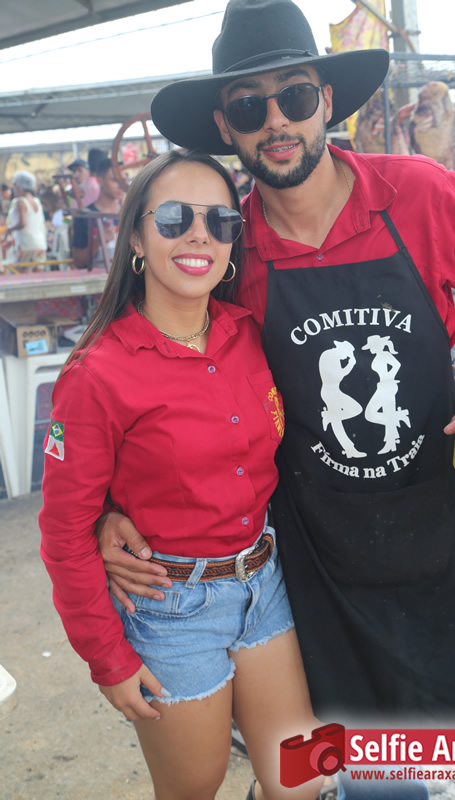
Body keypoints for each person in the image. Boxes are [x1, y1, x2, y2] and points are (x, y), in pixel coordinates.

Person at [97, 1, 455, 797]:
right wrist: (111, 506)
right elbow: (164, 381)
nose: (275, 121)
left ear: (326, 102)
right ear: (225, 128)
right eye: (247, 107)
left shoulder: (421, 195)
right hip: (325, 568)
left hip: (453, 540)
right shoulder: (225, 251)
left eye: (294, 96)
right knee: (374, 780)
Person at [39, 148, 321, 800]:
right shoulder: (95, 373)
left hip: (265, 583)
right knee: (195, 786)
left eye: (220, 221)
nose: (199, 235)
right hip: (171, 605)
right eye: (173, 218)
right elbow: (63, 531)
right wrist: (107, 658)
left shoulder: (249, 332)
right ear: (136, 238)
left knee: (304, 777)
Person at [71, 156, 123, 269]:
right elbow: (78, 261)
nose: (121, 185)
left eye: (123, 180)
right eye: (115, 180)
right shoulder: (84, 217)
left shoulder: (130, 214)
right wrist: (97, 241)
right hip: (97, 278)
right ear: (100, 181)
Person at [1, 170, 46, 266]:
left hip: (26, 246)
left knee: (22, 273)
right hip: (39, 244)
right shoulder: (36, 201)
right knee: (38, 273)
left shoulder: (20, 202)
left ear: (19, 186)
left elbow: (23, 223)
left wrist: (9, 229)